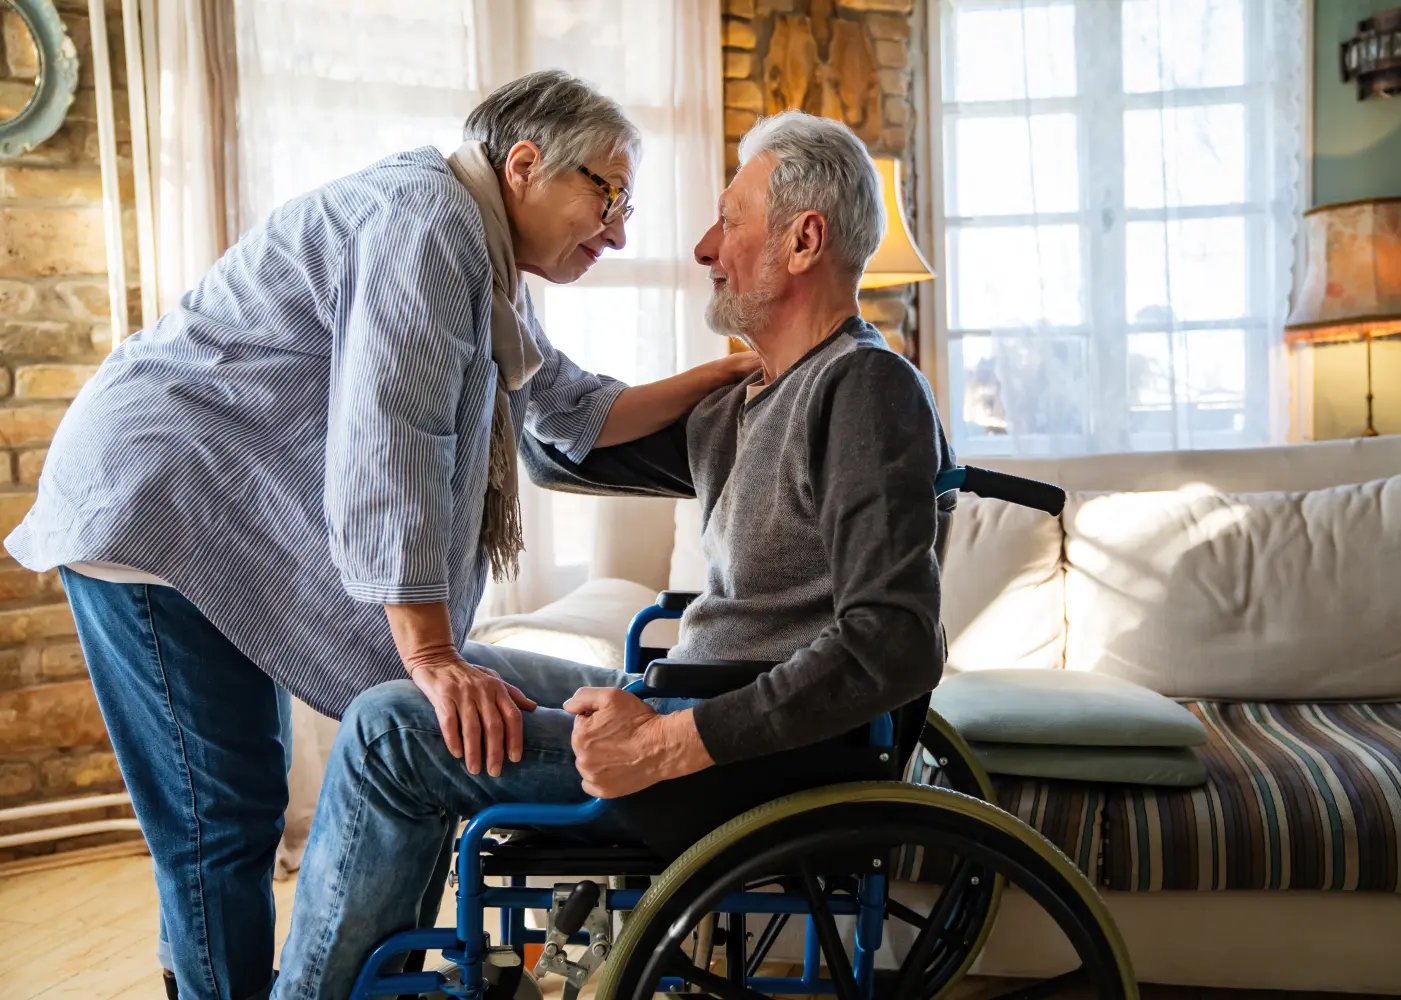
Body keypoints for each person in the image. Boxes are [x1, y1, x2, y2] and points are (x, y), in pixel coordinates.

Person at [3, 70, 757, 1000]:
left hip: (201, 510)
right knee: (218, 816)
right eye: (609, 196)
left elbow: (572, 410)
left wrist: (728, 375)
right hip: (155, 504)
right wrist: (431, 652)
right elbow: (390, 439)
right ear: (525, 165)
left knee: (242, 794)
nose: (622, 231)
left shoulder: (480, 248)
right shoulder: (429, 223)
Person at [270, 109, 954, 1000]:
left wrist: (670, 744)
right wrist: (468, 305)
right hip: (683, 703)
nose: (706, 248)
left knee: (389, 733)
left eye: (729, 220)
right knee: (441, 676)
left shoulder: (863, 390)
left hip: (738, 762)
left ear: (803, 240)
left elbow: (892, 642)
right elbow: (558, 450)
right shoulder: (748, 404)